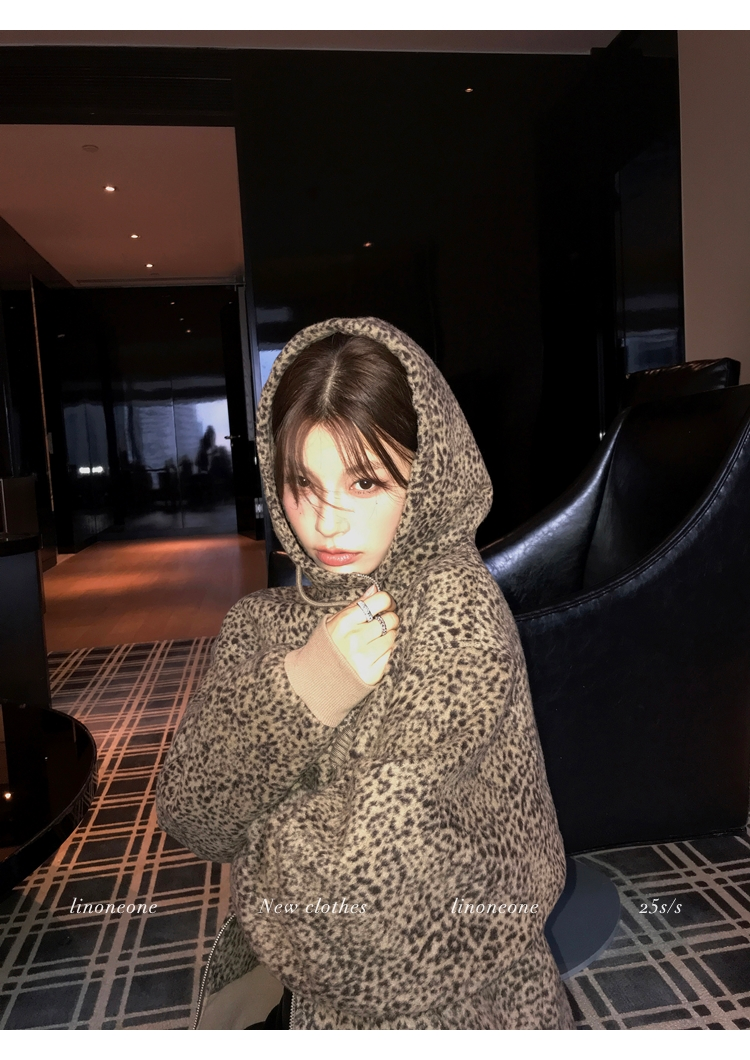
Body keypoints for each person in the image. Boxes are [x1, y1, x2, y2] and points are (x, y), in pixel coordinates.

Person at [155, 316, 574, 1030]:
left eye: (364, 481)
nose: (326, 522)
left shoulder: (457, 610)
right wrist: (307, 685)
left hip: (463, 1014)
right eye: (301, 483)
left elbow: (374, 919)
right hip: (291, 1001)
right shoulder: (259, 624)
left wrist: (261, 835)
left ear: (426, 476)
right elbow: (191, 816)